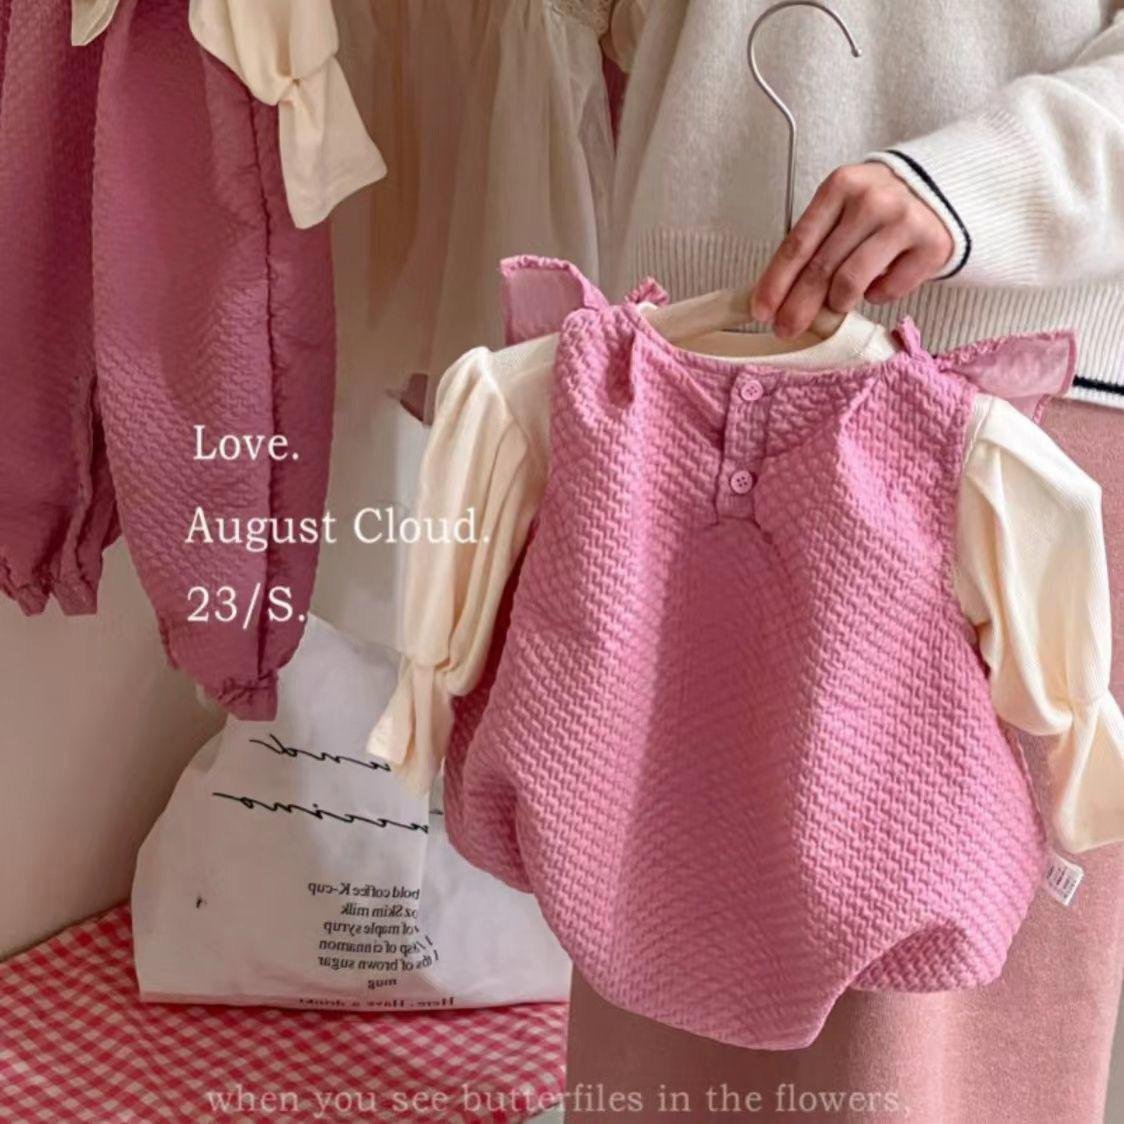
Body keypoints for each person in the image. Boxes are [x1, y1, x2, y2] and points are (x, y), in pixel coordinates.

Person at [567, 3, 1124, 1120]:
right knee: (657, 946)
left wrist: (981, 182)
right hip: (686, 364)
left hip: (1004, 377)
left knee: (919, 1045)